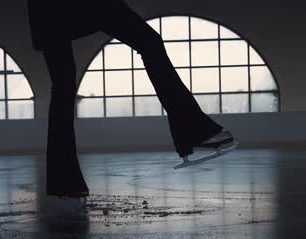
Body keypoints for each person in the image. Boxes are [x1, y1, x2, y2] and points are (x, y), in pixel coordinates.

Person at [28, 0, 236, 198]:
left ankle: (63, 181)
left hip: (47, 11)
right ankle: (194, 129)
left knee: (63, 84)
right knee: (149, 42)